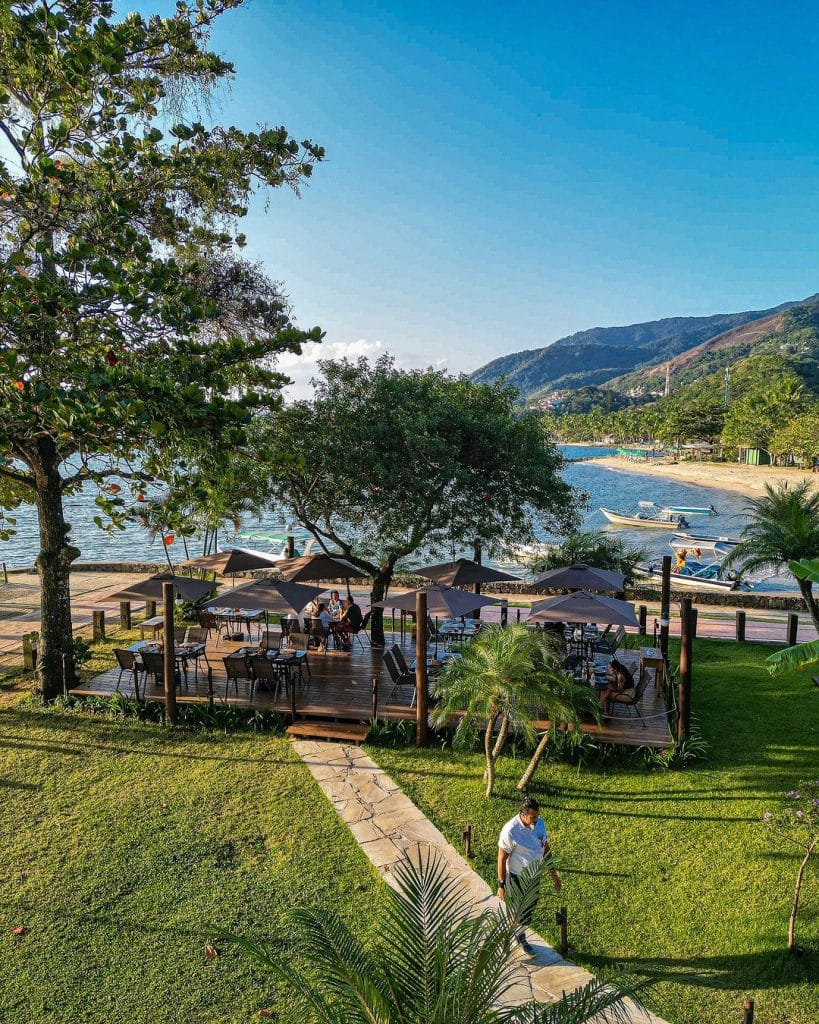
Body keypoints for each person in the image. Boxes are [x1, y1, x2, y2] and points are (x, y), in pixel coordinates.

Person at [497, 796, 561, 956]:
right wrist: (501, 884)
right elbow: (502, 857)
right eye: (533, 816)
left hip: (534, 876)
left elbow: (545, 848)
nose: (536, 819)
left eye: (537, 815)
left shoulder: (539, 824)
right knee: (517, 910)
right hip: (517, 876)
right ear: (523, 814)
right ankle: (505, 939)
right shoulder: (511, 830)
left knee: (529, 910)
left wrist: (554, 875)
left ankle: (520, 936)